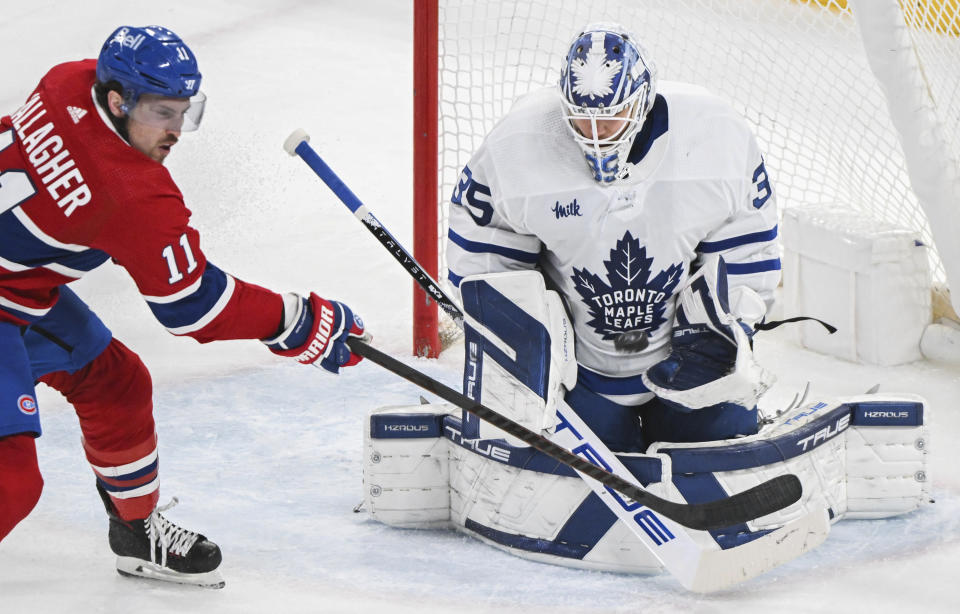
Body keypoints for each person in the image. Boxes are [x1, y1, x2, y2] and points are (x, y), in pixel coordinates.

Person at [0, 25, 366, 588]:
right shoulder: (130, 193)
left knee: (114, 382)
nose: (177, 132)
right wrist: (294, 320)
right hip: (10, 298)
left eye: (185, 113)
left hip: (16, 290)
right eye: (163, 114)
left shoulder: (69, 81)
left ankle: (135, 532)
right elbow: (192, 308)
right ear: (119, 102)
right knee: (12, 483)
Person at [446, 22, 780, 452]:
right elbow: (483, 261)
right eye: (582, 122)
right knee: (555, 471)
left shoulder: (715, 134)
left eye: (610, 117)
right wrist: (520, 346)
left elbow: (749, 248)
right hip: (575, 377)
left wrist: (721, 335)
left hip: (690, 366)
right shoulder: (518, 145)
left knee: (721, 443)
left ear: (641, 102)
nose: (597, 135)